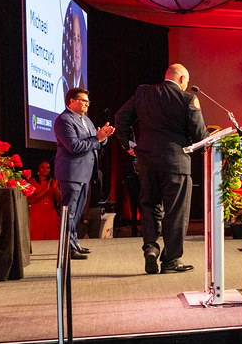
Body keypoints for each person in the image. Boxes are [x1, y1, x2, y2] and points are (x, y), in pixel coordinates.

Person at [114, 63, 207, 274]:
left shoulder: (143, 93)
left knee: (150, 206)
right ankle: (171, 260)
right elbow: (200, 136)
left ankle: (150, 248)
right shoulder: (188, 99)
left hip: (147, 162)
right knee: (176, 212)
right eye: (186, 81)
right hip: (176, 163)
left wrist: (129, 144)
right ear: (182, 79)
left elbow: (121, 117)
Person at [54, 87, 114, 259]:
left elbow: (96, 140)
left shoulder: (86, 120)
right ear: (71, 101)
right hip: (71, 172)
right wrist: (98, 139)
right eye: (83, 100)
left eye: (88, 101)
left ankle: (73, 243)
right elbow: (74, 146)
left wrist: (103, 137)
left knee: (77, 212)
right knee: (70, 212)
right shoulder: (64, 120)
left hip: (85, 173)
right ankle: (67, 247)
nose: (87, 104)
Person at [27, 160, 61, 240]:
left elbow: (58, 200)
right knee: (36, 237)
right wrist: (46, 190)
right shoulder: (32, 181)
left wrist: (55, 188)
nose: (45, 169)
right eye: (42, 167)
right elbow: (32, 200)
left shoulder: (52, 181)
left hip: (50, 212)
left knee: (52, 237)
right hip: (37, 213)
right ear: (38, 169)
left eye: (47, 167)